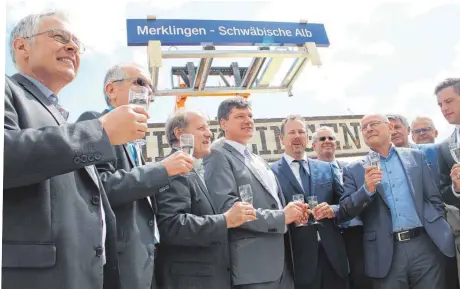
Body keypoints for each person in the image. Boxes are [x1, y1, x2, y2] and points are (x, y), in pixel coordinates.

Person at [4, 11, 150, 289]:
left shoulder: (59, 116)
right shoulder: (8, 90)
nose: (72, 47)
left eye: (76, 43)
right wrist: (100, 132)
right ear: (22, 46)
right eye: (59, 37)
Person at [77, 63, 195, 289]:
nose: (147, 92)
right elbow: (98, 187)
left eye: (151, 88)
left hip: (143, 260)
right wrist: (161, 170)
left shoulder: (134, 143)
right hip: (117, 262)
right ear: (111, 90)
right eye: (139, 83)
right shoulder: (94, 123)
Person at [340, 113, 455, 289]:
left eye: (374, 124)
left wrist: (437, 227)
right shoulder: (353, 169)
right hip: (385, 253)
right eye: (364, 127)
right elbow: (345, 211)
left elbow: (434, 199)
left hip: (425, 246)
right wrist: (366, 190)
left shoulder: (415, 157)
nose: (368, 129)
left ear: (390, 128)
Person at [204, 97, 307, 289]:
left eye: (250, 116)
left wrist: (293, 214)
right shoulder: (217, 155)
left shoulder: (258, 159)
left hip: (283, 264)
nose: (248, 120)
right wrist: (281, 217)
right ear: (223, 123)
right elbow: (227, 208)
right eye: (240, 116)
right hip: (253, 268)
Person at [155, 109, 257, 289]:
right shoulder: (173, 169)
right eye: (201, 128)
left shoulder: (194, 170)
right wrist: (225, 220)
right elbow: (171, 226)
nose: (209, 133)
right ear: (179, 133)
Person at [272, 117, 349, 289]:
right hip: (299, 263)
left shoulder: (325, 168)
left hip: (334, 259)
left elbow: (345, 203)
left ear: (307, 138)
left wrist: (333, 210)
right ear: (282, 139)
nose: (297, 136)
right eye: (292, 132)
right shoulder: (271, 172)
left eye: (301, 132)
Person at [311, 126, 371, 289]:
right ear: (313, 146)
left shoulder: (352, 168)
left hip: (357, 233)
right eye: (322, 139)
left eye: (331, 138)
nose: (327, 142)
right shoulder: (309, 173)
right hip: (330, 236)